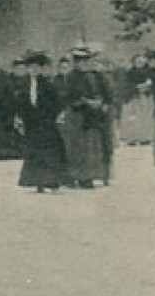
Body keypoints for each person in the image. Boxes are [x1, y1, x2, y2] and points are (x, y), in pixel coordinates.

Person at [14, 53, 68, 193]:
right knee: (34, 152)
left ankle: (52, 181)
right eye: (31, 67)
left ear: (42, 68)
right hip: (31, 123)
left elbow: (58, 103)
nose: (34, 70)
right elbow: (20, 103)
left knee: (50, 153)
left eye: (37, 67)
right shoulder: (24, 85)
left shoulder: (48, 84)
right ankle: (38, 181)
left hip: (46, 123)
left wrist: (50, 115)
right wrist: (20, 118)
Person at [60, 47, 111, 188]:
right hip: (76, 117)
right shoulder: (70, 77)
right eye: (81, 62)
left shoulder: (92, 76)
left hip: (91, 116)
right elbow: (66, 96)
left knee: (91, 147)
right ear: (75, 63)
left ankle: (88, 176)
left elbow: (99, 92)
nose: (84, 64)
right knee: (76, 147)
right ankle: (76, 177)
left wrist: (98, 102)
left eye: (86, 61)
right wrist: (83, 102)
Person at [117, 54, 155, 146]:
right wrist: (136, 88)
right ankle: (131, 138)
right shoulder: (130, 73)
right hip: (133, 98)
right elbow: (126, 86)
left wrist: (148, 87)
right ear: (134, 63)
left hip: (146, 98)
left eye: (142, 62)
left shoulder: (150, 73)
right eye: (138, 62)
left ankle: (145, 137)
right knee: (132, 118)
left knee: (146, 118)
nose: (140, 64)